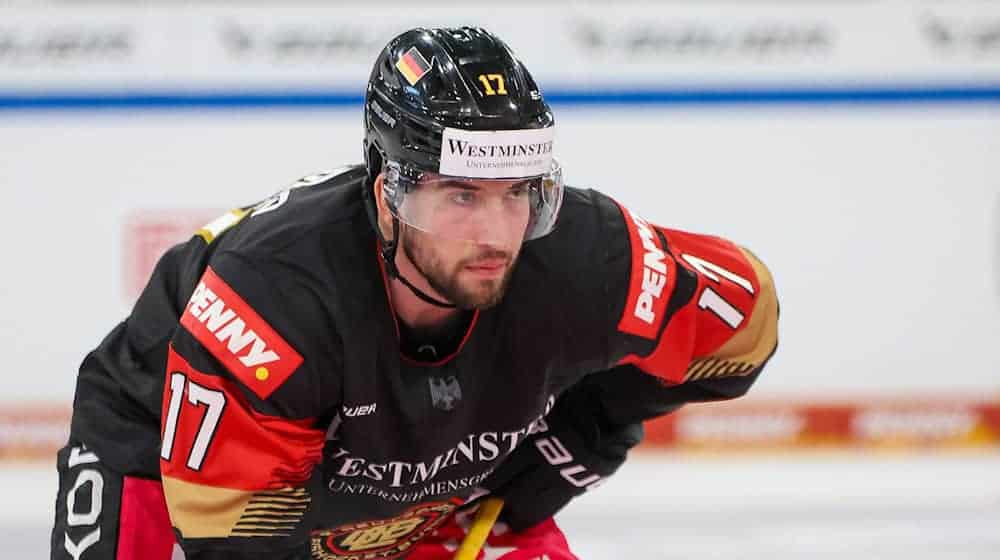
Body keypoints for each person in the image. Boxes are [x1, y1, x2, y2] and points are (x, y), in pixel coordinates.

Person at [52, 26, 779, 560]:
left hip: (426, 477)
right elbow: (229, 529)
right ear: (388, 193)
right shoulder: (278, 294)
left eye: (520, 193)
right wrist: (393, 534)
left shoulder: (582, 253)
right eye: (459, 196)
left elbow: (744, 323)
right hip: (174, 444)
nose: (496, 234)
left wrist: (586, 432)